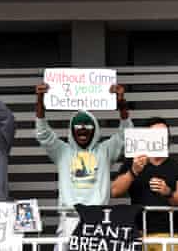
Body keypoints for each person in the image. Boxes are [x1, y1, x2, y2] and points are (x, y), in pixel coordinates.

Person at [35, 83, 132, 248]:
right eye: (78, 127)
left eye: (87, 127)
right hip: (69, 219)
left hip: (98, 219)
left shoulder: (105, 150)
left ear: (95, 130)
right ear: (72, 130)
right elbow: (42, 133)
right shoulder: (62, 151)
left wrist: (121, 102)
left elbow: (126, 133)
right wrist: (40, 99)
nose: (82, 130)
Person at [111, 117, 178, 251]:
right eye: (156, 134)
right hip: (137, 234)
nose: (161, 137)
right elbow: (114, 191)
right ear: (146, 137)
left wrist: (168, 192)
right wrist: (133, 171)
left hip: (168, 235)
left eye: (164, 134)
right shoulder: (134, 163)